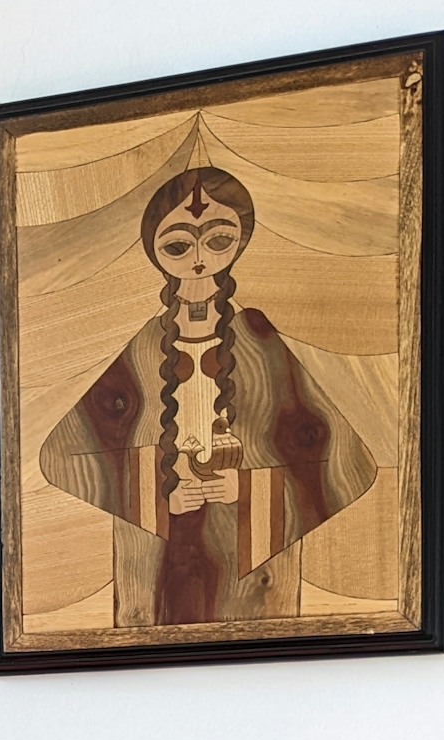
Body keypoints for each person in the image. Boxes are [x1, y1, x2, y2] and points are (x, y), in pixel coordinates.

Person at [39, 166, 377, 626]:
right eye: (179, 245)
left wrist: (249, 487)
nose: (199, 258)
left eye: (217, 241)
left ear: (240, 244)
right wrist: (160, 497)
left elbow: (345, 462)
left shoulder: (258, 338)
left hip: (249, 558)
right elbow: (65, 456)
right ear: (157, 253)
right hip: (156, 558)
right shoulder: (143, 346)